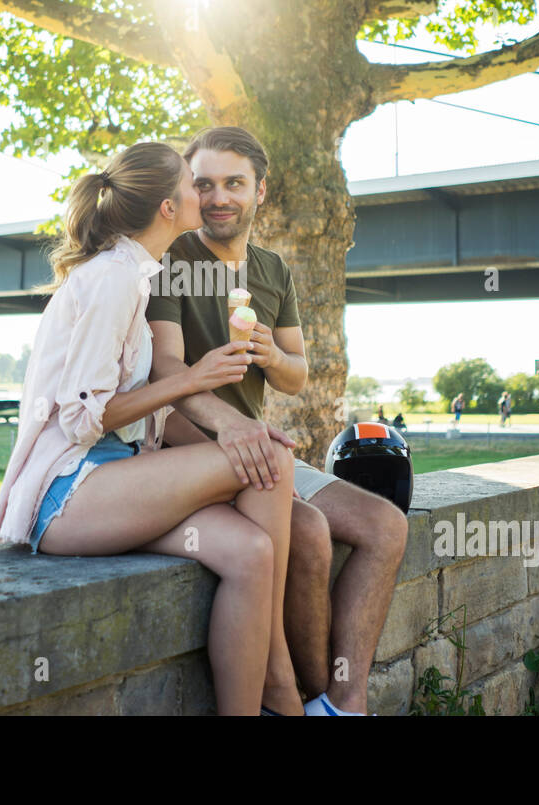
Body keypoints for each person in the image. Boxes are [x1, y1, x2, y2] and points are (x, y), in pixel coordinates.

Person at [0, 141, 303, 716]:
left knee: (252, 551)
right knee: (273, 466)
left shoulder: (139, 274)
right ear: (167, 207)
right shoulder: (112, 279)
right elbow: (85, 417)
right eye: (192, 183)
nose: (203, 195)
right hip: (69, 493)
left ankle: (259, 706)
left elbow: (150, 424)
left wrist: (235, 431)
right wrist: (190, 381)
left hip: (117, 482)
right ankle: (283, 694)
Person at [147, 126, 408, 717]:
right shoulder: (172, 258)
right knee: (311, 534)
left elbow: (297, 374)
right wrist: (232, 429)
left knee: (386, 527)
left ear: (260, 190)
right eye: (204, 184)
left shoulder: (273, 270)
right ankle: (299, 699)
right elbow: (165, 367)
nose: (218, 197)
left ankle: (344, 703)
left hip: (265, 447)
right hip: (208, 453)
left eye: (234, 183)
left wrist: (271, 354)